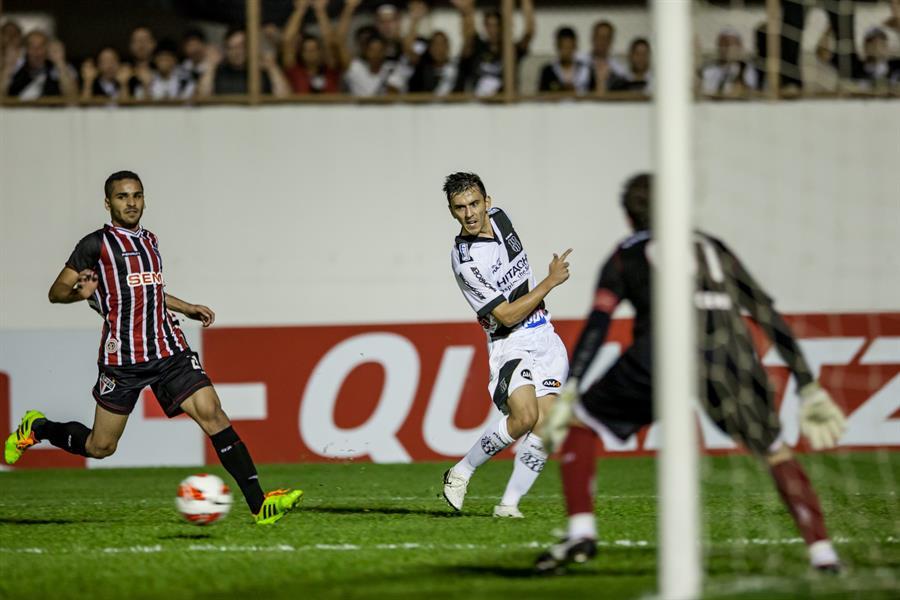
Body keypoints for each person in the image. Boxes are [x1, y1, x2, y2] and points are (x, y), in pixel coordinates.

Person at [534, 174, 847, 573]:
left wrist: (572, 387)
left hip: (661, 354)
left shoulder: (624, 254)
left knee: (581, 423)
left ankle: (581, 532)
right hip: (730, 354)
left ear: (630, 217)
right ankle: (824, 555)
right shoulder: (711, 246)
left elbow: (598, 322)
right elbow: (766, 314)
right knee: (775, 450)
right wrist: (808, 384)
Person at [4, 171, 303, 525]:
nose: (131, 202)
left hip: (168, 349)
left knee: (213, 413)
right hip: (123, 359)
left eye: (137, 195)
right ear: (108, 202)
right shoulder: (94, 245)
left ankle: (260, 505)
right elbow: (56, 292)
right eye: (122, 196)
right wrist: (79, 293)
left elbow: (148, 290)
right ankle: (38, 428)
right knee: (101, 447)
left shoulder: (150, 241)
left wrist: (186, 307)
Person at [442, 172, 572, 518]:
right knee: (525, 416)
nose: (469, 214)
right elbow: (507, 315)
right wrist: (550, 281)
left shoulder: (501, 219)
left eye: (473, 204)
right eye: (459, 208)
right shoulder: (466, 261)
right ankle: (461, 472)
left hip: (544, 335)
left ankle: (509, 504)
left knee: (547, 425)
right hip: (508, 341)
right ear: (452, 212)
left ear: (488, 202)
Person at [456, 0, 534, 97]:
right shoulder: (478, 48)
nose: (493, 30)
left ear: (502, 27)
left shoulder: (511, 50)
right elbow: (468, 34)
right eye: (489, 25)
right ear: (485, 27)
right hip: (479, 105)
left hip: (505, 105)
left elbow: (529, 33)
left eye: (496, 25)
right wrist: (466, 11)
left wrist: (526, 3)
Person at [196, 28, 290, 98]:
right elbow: (201, 98)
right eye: (231, 47)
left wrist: (272, 68)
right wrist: (211, 66)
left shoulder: (263, 70)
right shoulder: (218, 71)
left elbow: (284, 98)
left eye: (241, 46)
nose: (237, 52)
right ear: (225, 50)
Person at [396, 0, 460, 95]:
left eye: (442, 44)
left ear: (448, 47)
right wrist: (414, 20)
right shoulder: (423, 65)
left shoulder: (455, 67)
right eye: (435, 45)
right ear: (429, 48)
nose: (439, 49)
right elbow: (408, 50)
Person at [282, 0, 342, 94]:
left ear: (321, 52)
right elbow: (287, 41)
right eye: (307, 50)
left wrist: (320, 11)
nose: (311, 53)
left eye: (314, 49)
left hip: (332, 108)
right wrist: (300, 9)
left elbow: (330, 42)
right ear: (301, 53)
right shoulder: (295, 71)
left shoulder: (330, 70)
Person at [4, 30, 77, 101]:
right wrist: (8, 66)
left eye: (41, 46)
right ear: (26, 49)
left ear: (47, 48)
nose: (36, 51)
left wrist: (60, 62)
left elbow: (72, 97)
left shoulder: (61, 67)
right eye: (32, 46)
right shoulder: (16, 67)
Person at [699, 27, 758, 96]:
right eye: (723, 44)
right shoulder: (708, 70)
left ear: (740, 46)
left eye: (731, 44)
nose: (727, 48)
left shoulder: (747, 70)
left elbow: (749, 92)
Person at [538, 27, 592, 94]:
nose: (567, 52)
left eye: (569, 47)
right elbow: (541, 96)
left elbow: (593, 94)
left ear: (575, 47)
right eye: (563, 48)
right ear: (557, 46)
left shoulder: (585, 69)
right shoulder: (548, 71)